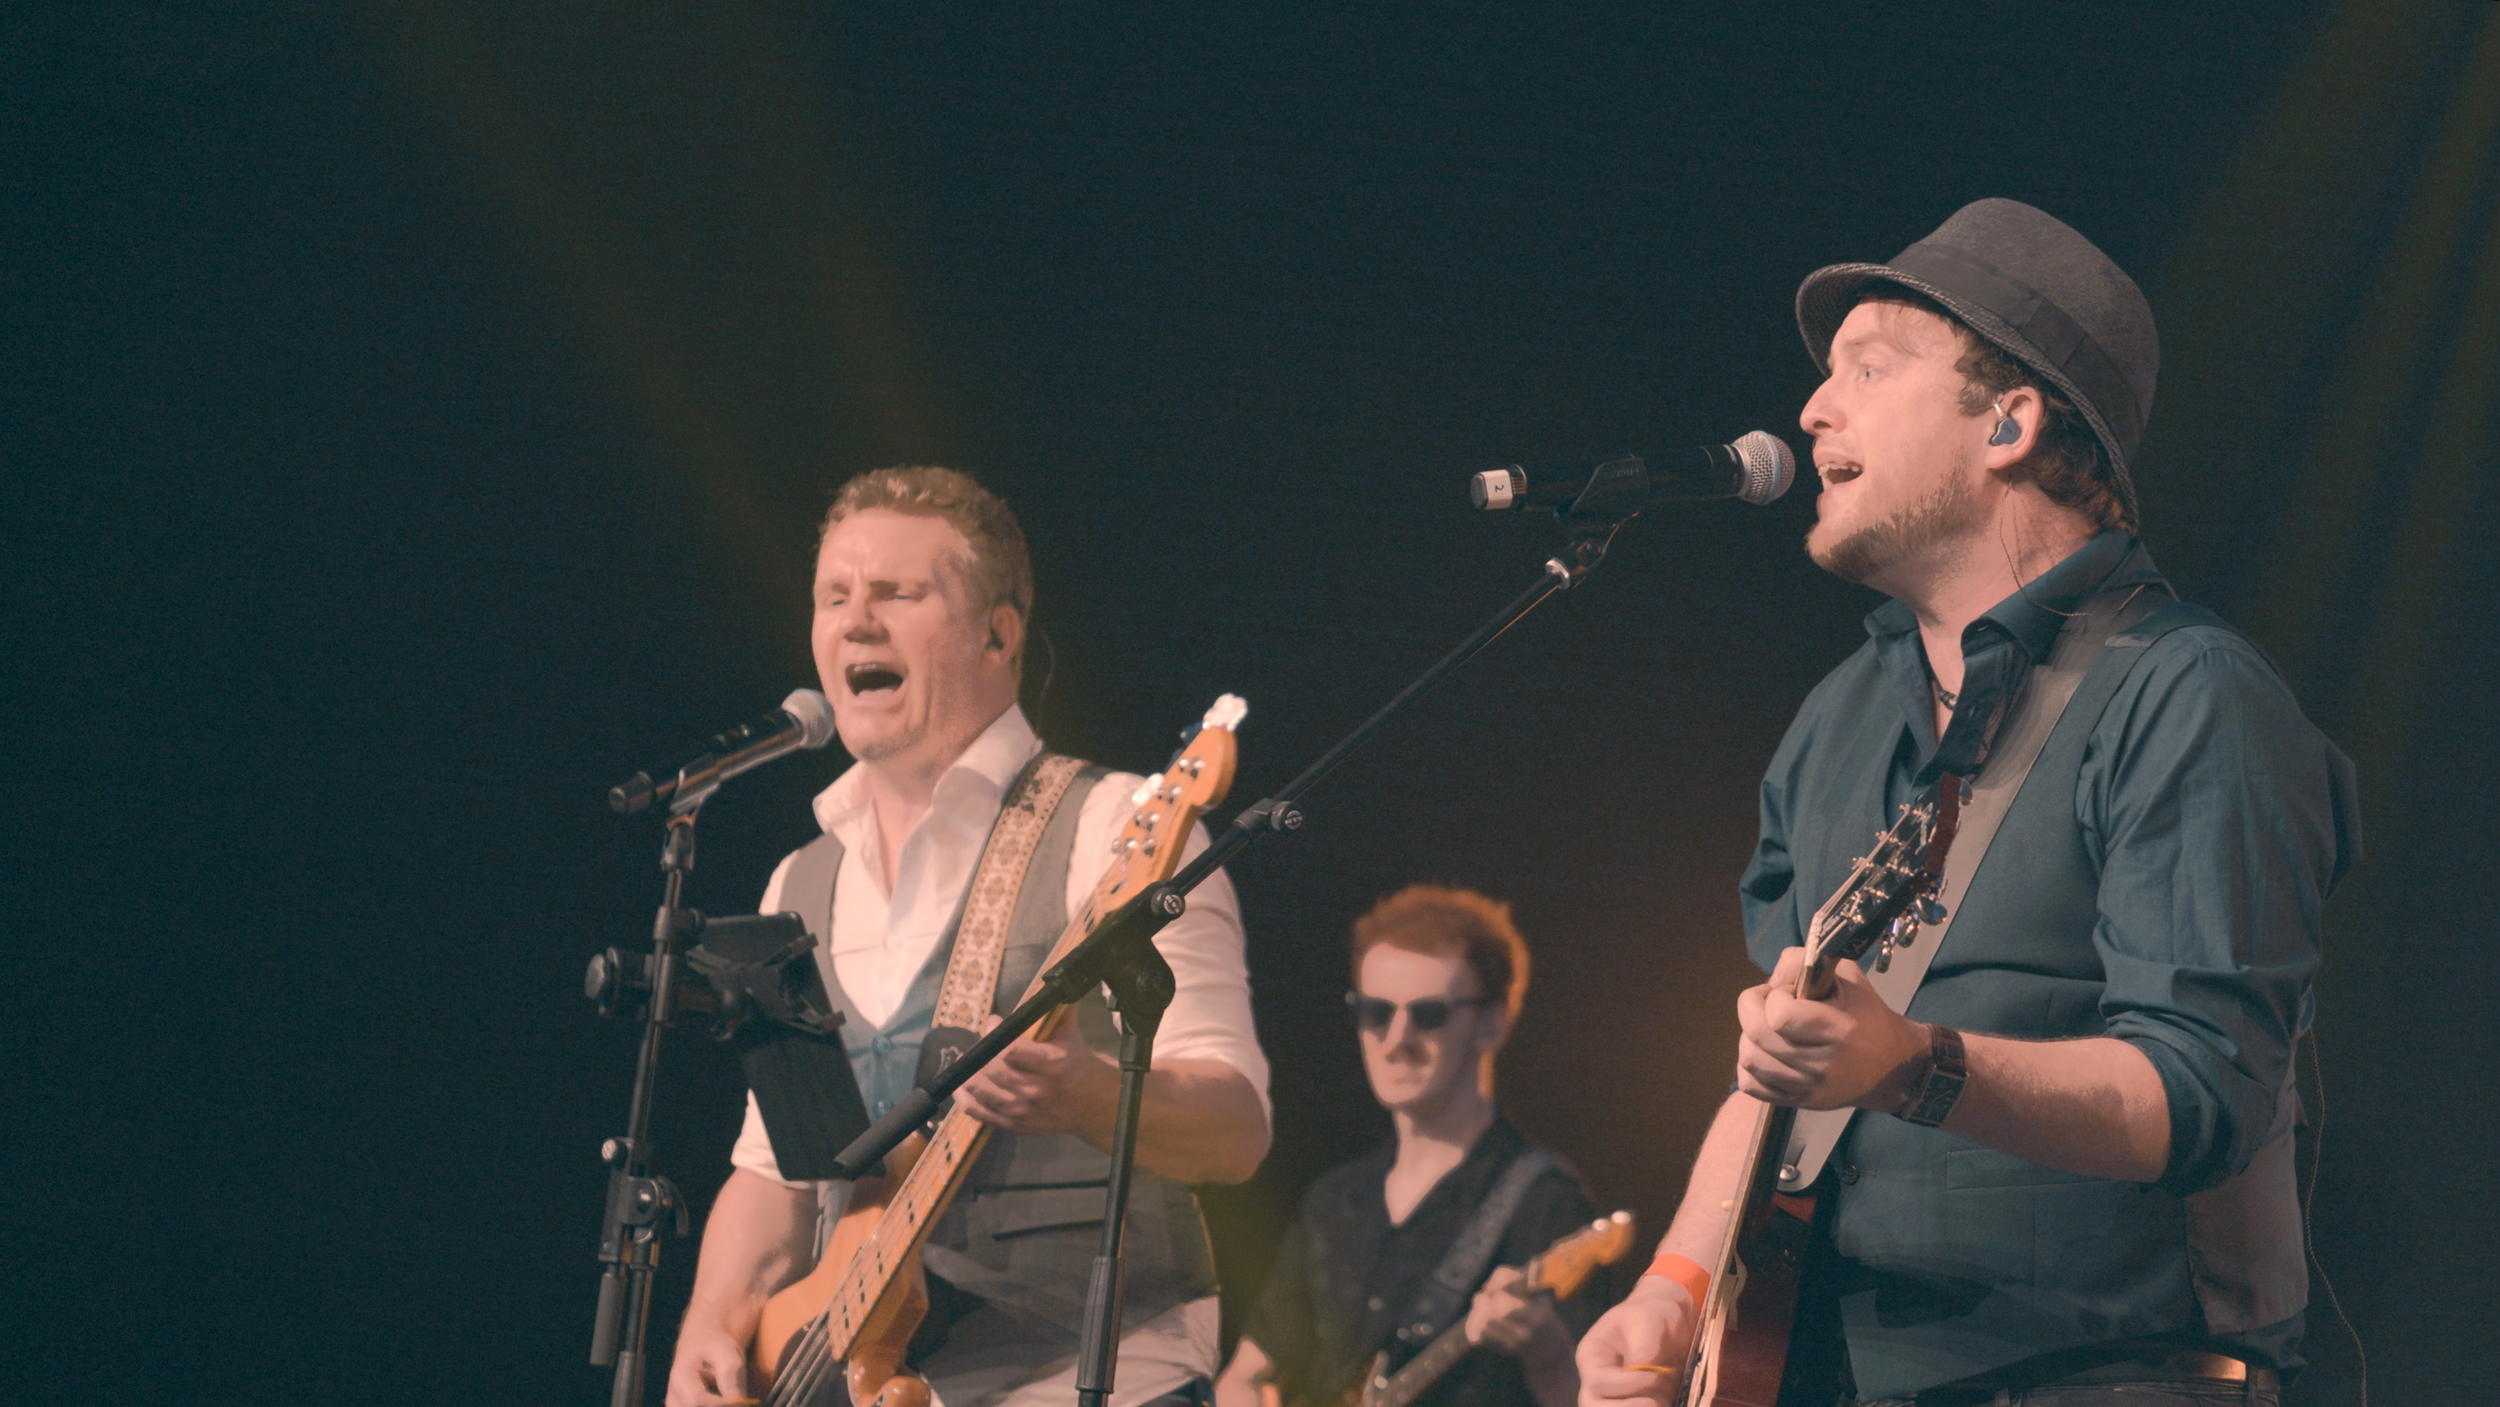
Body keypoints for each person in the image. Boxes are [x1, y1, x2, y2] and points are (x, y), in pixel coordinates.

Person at [1576, 200, 2359, 1407]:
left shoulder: (2190, 696)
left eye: (1867, 370)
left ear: (2009, 421)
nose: (1809, 409)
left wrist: (1914, 1069)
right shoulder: (1839, 718)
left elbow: (2204, 1094)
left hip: (2099, 1375)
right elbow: (1777, 1069)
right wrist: (1675, 1290)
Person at [666, 466, 1273, 1407]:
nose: (855, 621)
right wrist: (712, 1322)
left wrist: (1089, 1094)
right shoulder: (802, 880)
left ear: (1000, 631)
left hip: (1086, 1375)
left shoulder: (1119, 828)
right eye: (834, 596)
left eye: (897, 594)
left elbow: (1236, 1130)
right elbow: (772, 1171)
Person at [1218, 885, 1618, 1407]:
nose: (1394, 1038)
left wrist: (1547, 1354)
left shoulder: (1546, 1204)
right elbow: (1244, 1378)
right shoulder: (1333, 1200)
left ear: (1492, 1022)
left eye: (1428, 1014)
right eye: (1375, 1012)